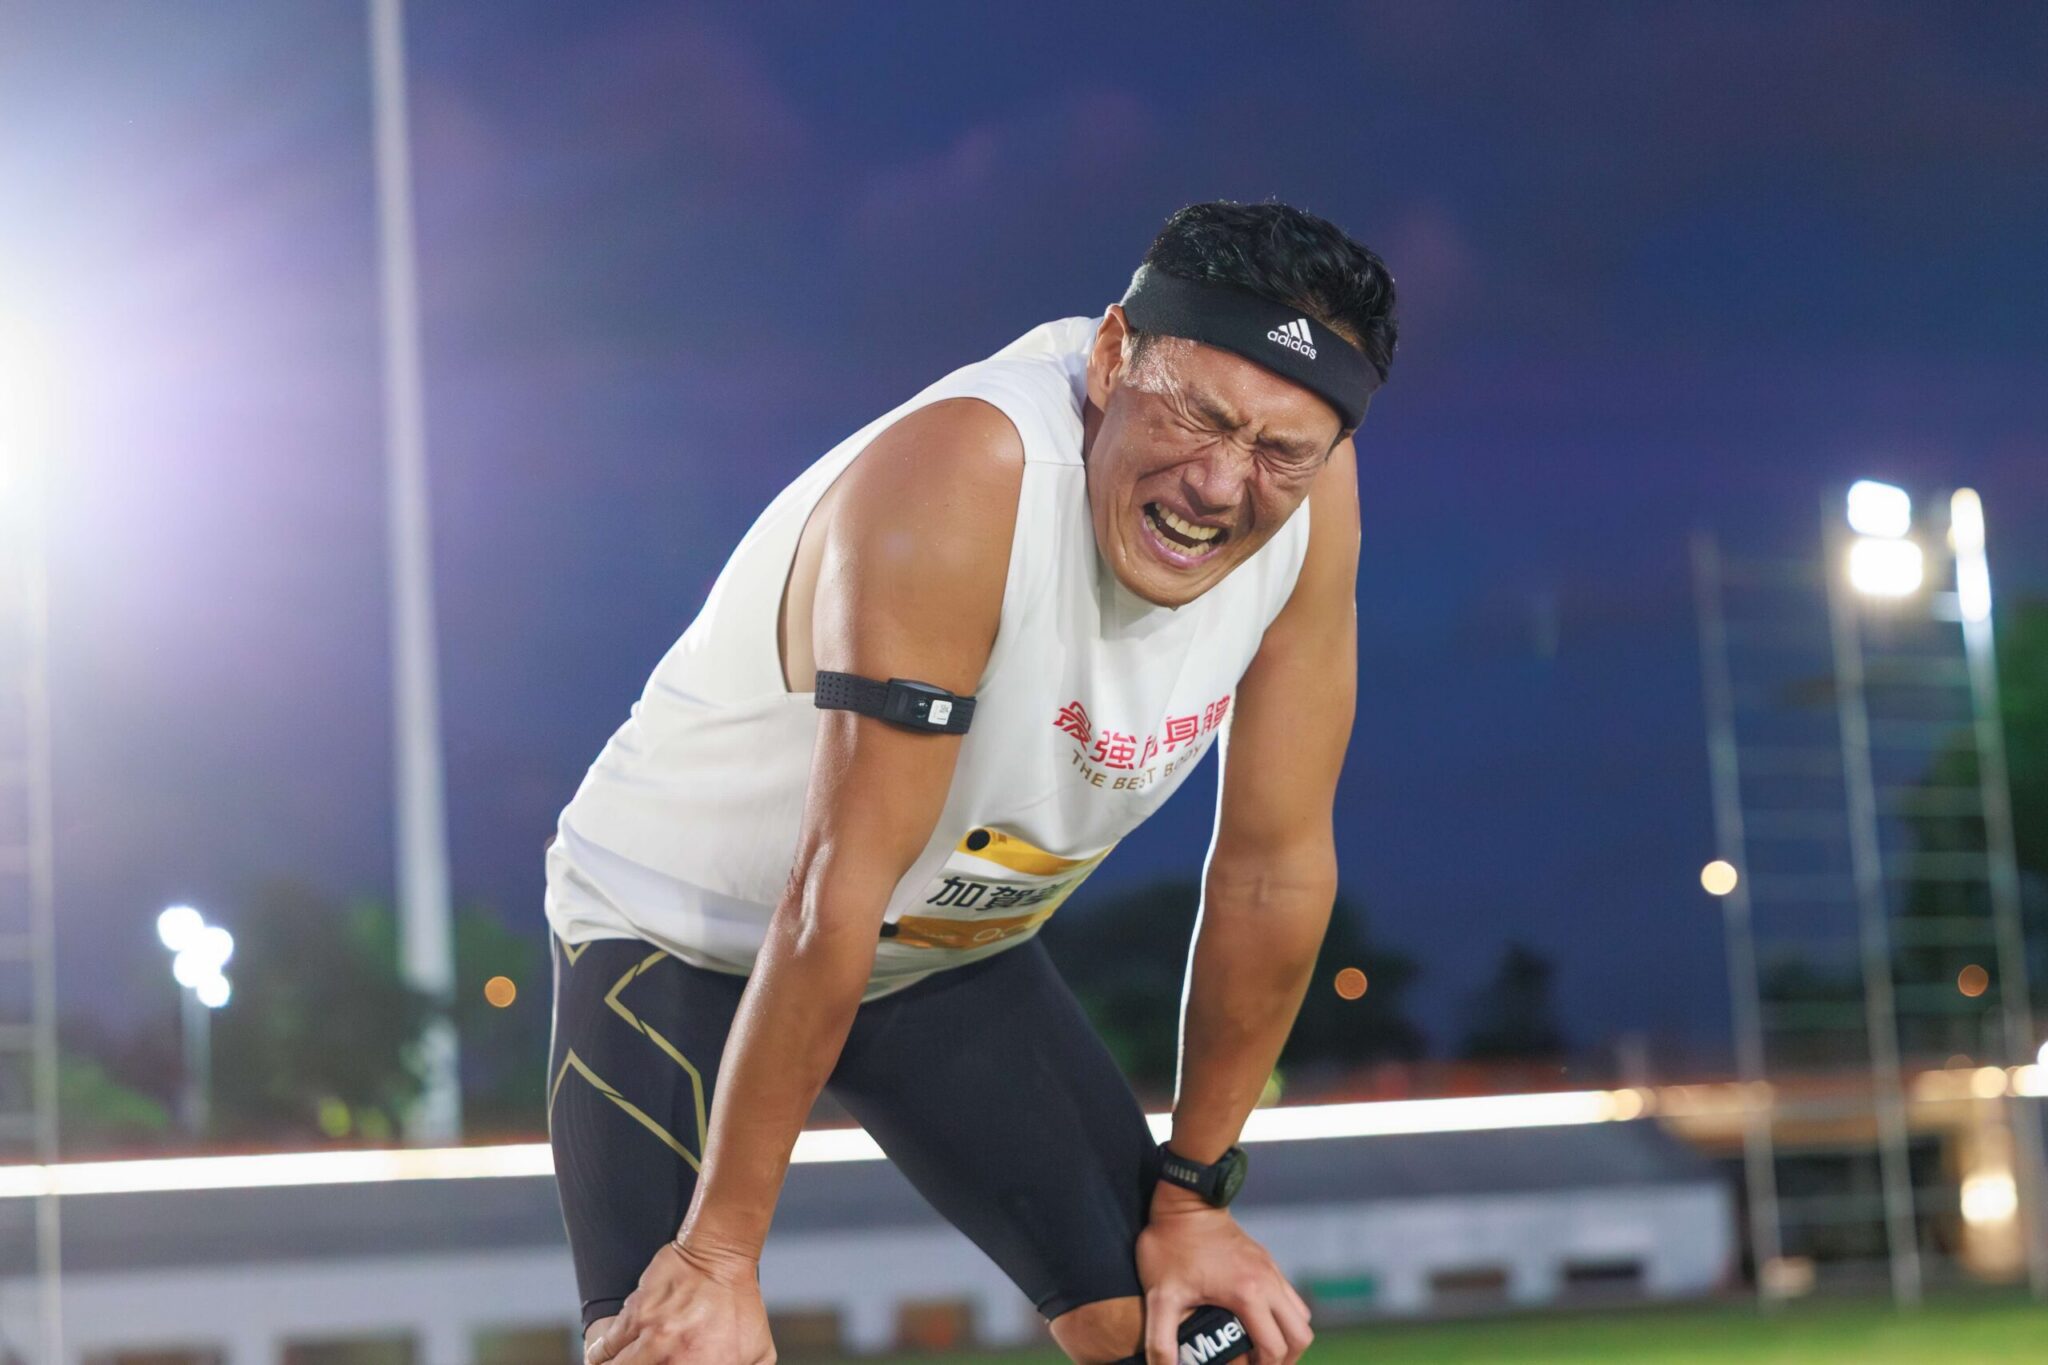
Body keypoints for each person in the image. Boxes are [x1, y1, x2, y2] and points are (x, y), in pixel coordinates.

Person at [545, 199, 1396, 1365]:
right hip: (691, 929)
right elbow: (835, 886)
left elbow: (1271, 869)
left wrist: (1194, 1197)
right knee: (677, 1350)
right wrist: (716, 1257)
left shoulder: (1309, 502)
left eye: (1278, 452)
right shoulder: (968, 471)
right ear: (1110, 356)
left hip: (942, 956)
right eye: (1196, 414)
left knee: (1197, 1341)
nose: (1216, 482)